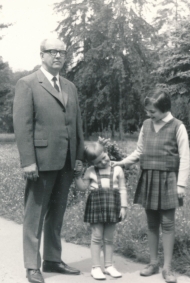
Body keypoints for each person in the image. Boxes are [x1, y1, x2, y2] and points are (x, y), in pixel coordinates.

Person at [13, 38, 84, 283]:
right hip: (41, 161)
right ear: (41, 55)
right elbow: (23, 127)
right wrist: (28, 161)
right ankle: (32, 265)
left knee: (57, 213)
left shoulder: (70, 87)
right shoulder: (28, 84)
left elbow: (77, 126)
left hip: (66, 160)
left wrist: (79, 157)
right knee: (35, 215)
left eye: (62, 52)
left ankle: (52, 259)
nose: (58, 56)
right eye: (52, 52)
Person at [113, 90, 190, 283]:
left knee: (168, 224)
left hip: (168, 180)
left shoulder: (178, 127)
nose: (149, 115)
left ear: (165, 109)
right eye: (147, 111)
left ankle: (167, 268)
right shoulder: (146, 125)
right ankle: (153, 263)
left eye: (152, 111)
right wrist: (121, 162)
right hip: (148, 178)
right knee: (152, 224)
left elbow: (186, 157)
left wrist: (181, 184)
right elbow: (139, 151)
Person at [75, 142, 128, 280]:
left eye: (104, 157)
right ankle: (96, 267)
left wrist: (123, 207)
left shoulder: (117, 169)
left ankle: (109, 266)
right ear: (92, 163)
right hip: (96, 206)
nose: (104, 161)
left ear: (106, 152)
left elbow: (122, 189)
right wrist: (76, 176)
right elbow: (82, 187)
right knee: (97, 237)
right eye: (98, 162)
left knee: (109, 238)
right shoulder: (90, 171)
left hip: (113, 206)